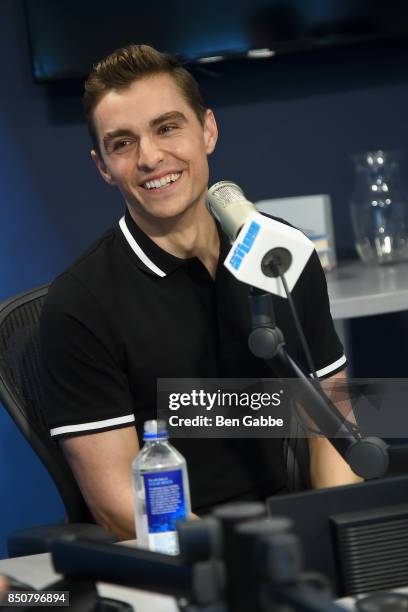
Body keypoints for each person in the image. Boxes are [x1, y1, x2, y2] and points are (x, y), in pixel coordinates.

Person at [40, 44, 360, 541]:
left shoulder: (281, 253)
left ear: (207, 130)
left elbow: (332, 438)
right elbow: (119, 508)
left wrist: (339, 544)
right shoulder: (80, 304)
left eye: (167, 128)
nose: (150, 158)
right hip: (178, 559)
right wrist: (238, 569)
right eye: (122, 143)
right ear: (103, 166)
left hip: (292, 541)